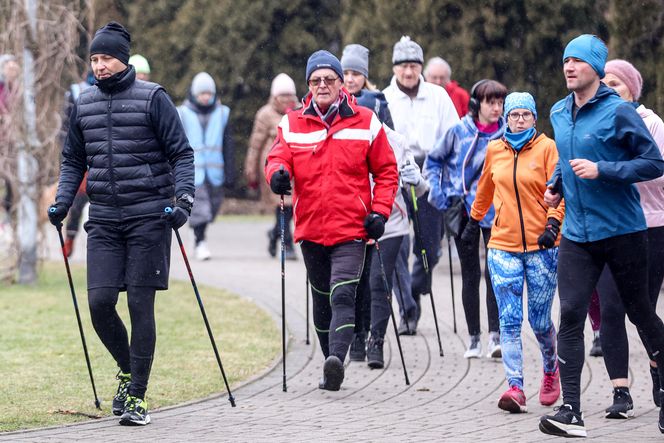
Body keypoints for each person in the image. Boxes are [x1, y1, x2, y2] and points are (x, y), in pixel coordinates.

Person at [47, 22, 195, 426]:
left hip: (149, 217)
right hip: (106, 220)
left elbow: (182, 153)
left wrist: (182, 201)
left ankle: (138, 397)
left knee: (138, 304)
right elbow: (73, 159)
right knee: (99, 305)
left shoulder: (153, 98)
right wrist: (62, 201)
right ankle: (128, 370)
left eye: (106, 58)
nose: (99, 66)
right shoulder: (84, 103)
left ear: (123, 59)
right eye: (94, 59)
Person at [538, 34, 664, 438]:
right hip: (577, 232)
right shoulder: (559, 111)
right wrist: (557, 183)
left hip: (623, 230)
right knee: (571, 313)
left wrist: (603, 170)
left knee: (640, 312)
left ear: (596, 67)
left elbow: (652, 162)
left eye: (577, 61)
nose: (569, 67)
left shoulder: (620, 112)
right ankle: (571, 411)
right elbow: (565, 152)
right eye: (565, 60)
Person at [264, 50, 398, 391]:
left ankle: (337, 358)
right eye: (315, 80)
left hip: (352, 227)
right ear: (308, 85)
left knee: (343, 295)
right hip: (310, 227)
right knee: (321, 298)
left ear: (342, 83)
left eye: (329, 79)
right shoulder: (292, 122)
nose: (323, 85)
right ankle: (331, 362)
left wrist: (380, 212)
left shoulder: (366, 120)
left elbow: (386, 171)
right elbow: (278, 157)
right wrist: (277, 175)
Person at [464, 92, 562, 413]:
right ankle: (515, 387)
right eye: (514, 115)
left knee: (539, 320)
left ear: (535, 118)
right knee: (509, 319)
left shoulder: (547, 148)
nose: (519, 120)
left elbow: (558, 193)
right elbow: (485, 188)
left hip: (541, 247)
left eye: (525, 115)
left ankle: (550, 369)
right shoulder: (495, 148)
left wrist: (552, 225)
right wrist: (473, 221)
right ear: (505, 118)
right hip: (502, 245)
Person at [339, 43, 422, 364]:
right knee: (357, 282)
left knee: (378, 282)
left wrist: (415, 178)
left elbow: (415, 181)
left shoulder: (395, 140)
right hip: (354, 219)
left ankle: (377, 340)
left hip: (392, 221)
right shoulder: (345, 138)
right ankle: (357, 336)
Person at [592, 59, 664, 419]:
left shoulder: (653, 125)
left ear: (632, 90)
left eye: (616, 84)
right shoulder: (598, 123)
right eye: (603, 82)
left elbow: (658, 173)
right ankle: (620, 391)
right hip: (609, 227)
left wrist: (618, 169)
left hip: (651, 228)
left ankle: (657, 366)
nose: (608, 88)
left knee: (643, 313)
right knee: (609, 311)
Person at [426, 79, 507, 359]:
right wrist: (440, 195)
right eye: (490, 102)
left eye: (500, 103)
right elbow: (433, 161)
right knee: (470, 274)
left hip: (498, 212)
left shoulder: (508, 133)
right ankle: (474, 338)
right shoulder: (458, 131)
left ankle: (495, 337)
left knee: (495, 274)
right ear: (476, 104)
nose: (496, 108)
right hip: (464, 211)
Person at [383, 36, 459, 333]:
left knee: (430, 245)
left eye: (414, 66)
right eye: (403, 66)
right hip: (396, 175)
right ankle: (407, 309)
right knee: (398, 245)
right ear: (394, 68)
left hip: (430, 173)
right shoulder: (385, 98)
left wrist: (439, 170)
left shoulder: (438, 96)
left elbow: (452, 135)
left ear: (420, 68)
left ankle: (418, 285)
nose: (408, 72)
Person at [177, 72, 235, 260]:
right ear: (194, 94)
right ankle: (200, 241)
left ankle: (197, 232)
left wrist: (230, 173)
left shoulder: (223, 113)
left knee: (212, 208)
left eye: (209, 93)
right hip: (193, 171)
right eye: (202, 93)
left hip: (215, 172)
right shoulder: (182, 113)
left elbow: (228, 145)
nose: (205, 97)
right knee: (200, 208)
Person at [244, 73, 298, 259]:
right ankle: (287, 244)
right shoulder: (265, 114)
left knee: (288, 208)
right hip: (272, 168)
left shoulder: (300, 111)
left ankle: (275, 233)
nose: (286, 99)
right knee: (283, 206)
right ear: (274, 96)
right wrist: (251, 171)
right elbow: (255, 145)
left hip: (295, 167)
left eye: (289, 95)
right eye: (282, 95)